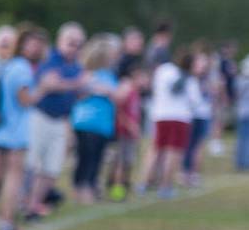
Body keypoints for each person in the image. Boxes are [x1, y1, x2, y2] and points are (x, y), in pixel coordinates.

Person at [26, 22, 88, 218]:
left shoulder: (76, 65)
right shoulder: (50, 59)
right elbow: (51, 84)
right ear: (60, 41)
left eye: (78, 44)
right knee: (34, 166)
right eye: (71, 43)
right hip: (41, 117)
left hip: (61, 120)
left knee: (52, 169)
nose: (74, 48)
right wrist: (76, 84)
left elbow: (75, 91)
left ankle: (35, 204)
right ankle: (27, 205)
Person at [0, 25, 48, 230]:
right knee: (13, 178)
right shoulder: (23, 69)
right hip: (16, 131)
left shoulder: (10, 65)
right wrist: (44, 88)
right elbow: (25, 100)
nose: (36, 49)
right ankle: (7, 223)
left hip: (3, 128)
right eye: (32, 44)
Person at [71, 35, 124, 205]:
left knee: (96, 158)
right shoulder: (87, 74)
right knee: (87, 158)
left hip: (102, 125)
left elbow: (116, 96)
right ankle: (82, 189)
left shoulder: (108, 75)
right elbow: (78, 93)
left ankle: (89, 187)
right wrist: (98, 89)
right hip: (87, 122)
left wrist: (107, 91)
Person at [147, 46, 194, 198]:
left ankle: (145, 182)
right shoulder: (187, 77)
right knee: (172, 152)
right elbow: (194, 100)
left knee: (156, 149)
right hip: (179, 117)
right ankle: (165, 185)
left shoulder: (163, 70)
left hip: (160, 115)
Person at [105, 60, 147, 200]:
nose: (145, 80)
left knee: (128, 162)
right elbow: (118, 109)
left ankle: (123, 187)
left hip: (130, 133)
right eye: (142, 77)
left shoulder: (135, 91)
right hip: (122, 132)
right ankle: (116, 190)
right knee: (120, 162)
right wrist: (130, 125)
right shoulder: (126, 88)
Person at [182, 47, 213, 187]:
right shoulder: (189, 77)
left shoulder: (204, 78)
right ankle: (186, 172)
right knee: (189, 145)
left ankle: (193, 173)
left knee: (197, 145)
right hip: (192, 115)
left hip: (202, 114)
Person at [236, 53, 249, 172]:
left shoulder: (240, 80)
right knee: (245, 139)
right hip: (245, 112)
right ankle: (244, 163)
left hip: (242, 112)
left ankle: (241, 163)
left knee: (242, 139)